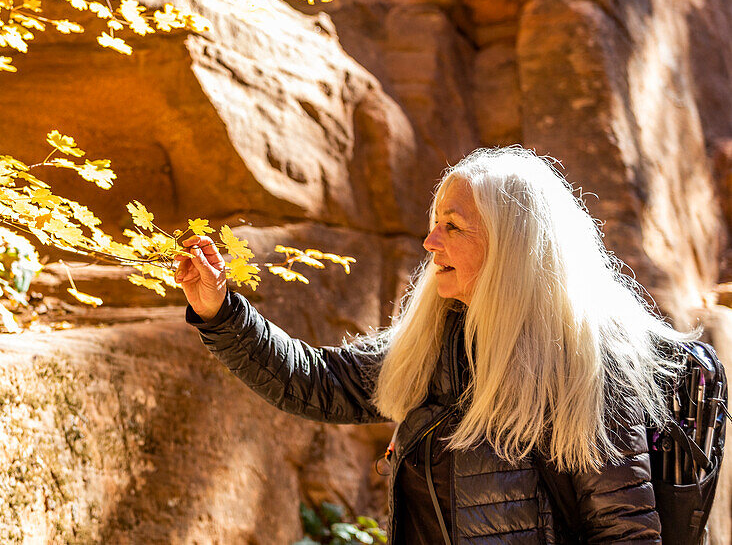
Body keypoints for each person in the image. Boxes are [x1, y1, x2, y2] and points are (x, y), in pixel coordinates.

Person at [174, 146, 691, 544]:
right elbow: (317, 382)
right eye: (433, 224)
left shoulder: (586, 365)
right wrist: (220, 312)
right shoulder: (438, 341)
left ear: (511, 245)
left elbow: (627, 534)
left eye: (453, 226)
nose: (430, 243)